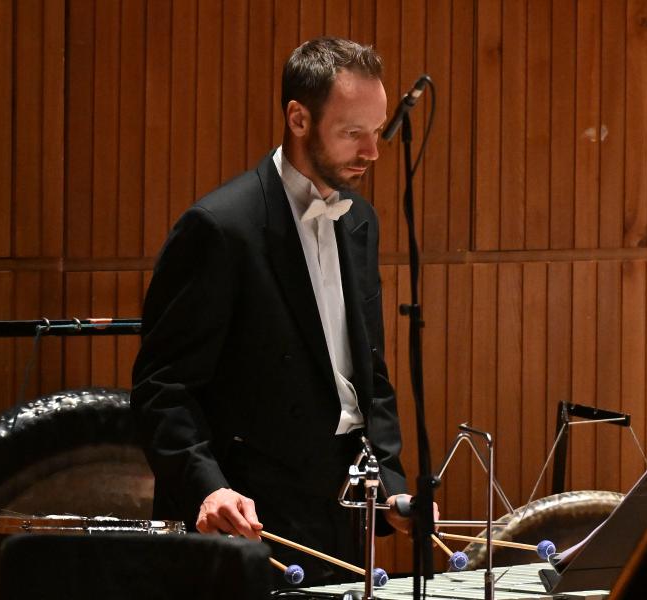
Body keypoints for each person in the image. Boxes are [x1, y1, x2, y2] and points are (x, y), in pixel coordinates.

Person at [131, 37, 423, 586]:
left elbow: (368, 374)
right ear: (298, 118)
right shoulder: (220, 229)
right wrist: (208, 487)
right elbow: (162, 387)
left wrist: (388, 483)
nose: (373, 152)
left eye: (377, 130)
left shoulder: (359, 218)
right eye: (352, 133)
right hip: (251, 519)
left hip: (342, 512)